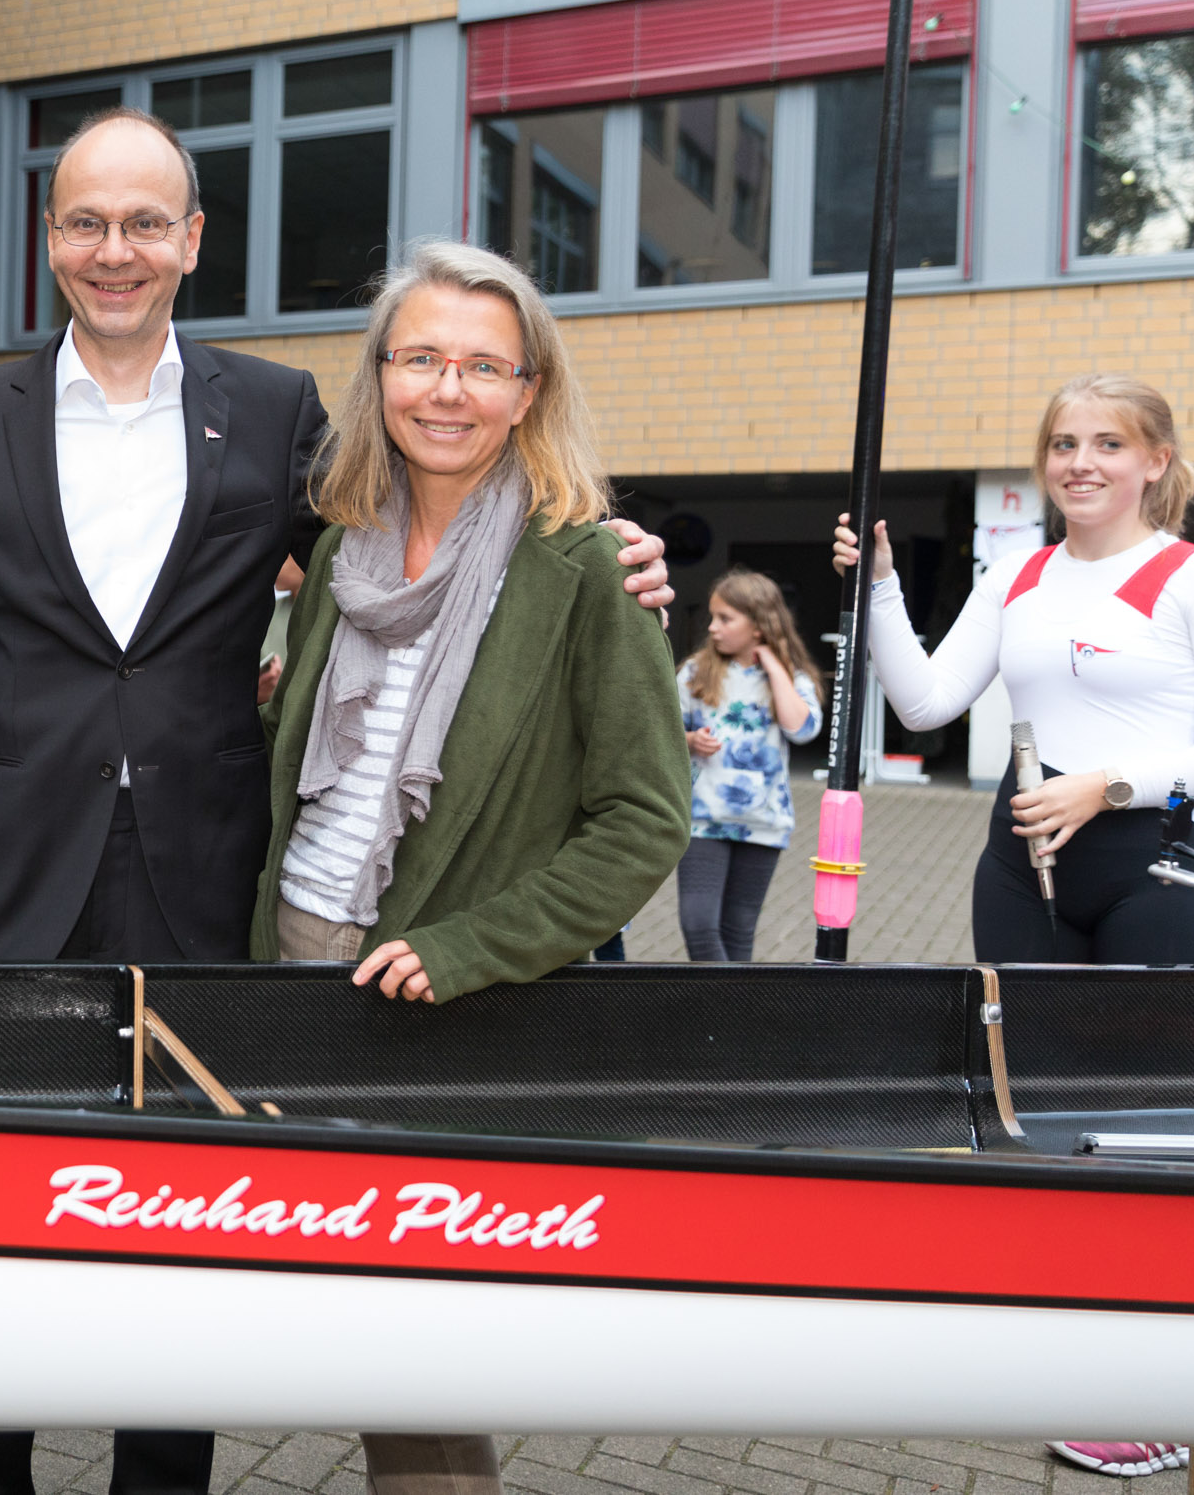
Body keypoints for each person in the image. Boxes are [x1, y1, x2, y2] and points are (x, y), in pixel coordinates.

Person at [0, 111, 671, 1495]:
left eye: (145, 223)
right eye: (84, 221)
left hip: (209, 877)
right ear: (47, 238)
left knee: (191, 1228)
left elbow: (431, 553)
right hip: (4, 883)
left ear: (193, 240)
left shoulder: (274, 412)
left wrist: (609, 547)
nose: (113, 250)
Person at [250, 240, 687, 1495]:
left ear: (529, 389)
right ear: (379, 374)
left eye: (482, 365)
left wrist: (464, 948)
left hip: (431, 992)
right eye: (421, 357)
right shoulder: (343, 550)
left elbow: (643, 818)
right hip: (291, 954)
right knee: (298, 1299)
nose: (447, 389)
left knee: (415, 1351)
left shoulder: (589, 568)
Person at [834, 374, 1194, 973]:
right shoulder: (1014, 575)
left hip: (1156, 868)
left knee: (1138, 1069)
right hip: (1021, 864)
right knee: (1024, 1060)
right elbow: (924, 706)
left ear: (1156, 461)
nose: (1080, 463)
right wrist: (880, 585)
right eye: (1063, 444)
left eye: (1108, 444)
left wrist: (1103, 786)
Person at [675, 568, 823, 962]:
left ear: (759, 625)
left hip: (763, 822)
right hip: (702, 818)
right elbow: (662, 731)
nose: (713, 628)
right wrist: (689, 740)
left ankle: (726, 1020)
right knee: (698, 924)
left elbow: (803, 728)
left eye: (725, 618)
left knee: (738, 932)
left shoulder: (791, 678)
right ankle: (727, 1016)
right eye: (712, 617)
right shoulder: (694, 673)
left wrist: (774, 667)